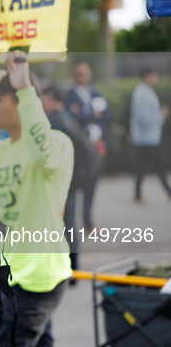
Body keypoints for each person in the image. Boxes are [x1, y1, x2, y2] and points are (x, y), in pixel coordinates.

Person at [0, 68, 73, 347]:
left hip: (39, 280)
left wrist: (26, 89)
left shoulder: (57, 144)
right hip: (12, 274)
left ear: (22, 101)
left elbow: (42, 153)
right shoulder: (0, 150)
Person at [41, 85, 100, 273]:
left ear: (51, 97)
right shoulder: (66, 114)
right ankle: (73, 266)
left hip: (63, 178)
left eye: (42, 96)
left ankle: (69, 268)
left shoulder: (52, 120)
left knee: (63, 223)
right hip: (73, 176)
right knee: (69, 223)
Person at [65, 61, 112, 231]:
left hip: (97, 146)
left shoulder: (96, 93)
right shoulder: (69, 95)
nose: (81, 76)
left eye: (84, 72)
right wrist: (93, 115)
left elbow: (107, 118)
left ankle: (88, 220)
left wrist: (85, 114)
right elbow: (72, 119)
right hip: (80, 147)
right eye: (78, 73)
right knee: (77, 183)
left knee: (92, 184)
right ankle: (70, 222)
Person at [130, 68, 171, 203]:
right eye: (155, 75)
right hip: (146, 137)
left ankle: (138, 194)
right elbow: (145, 118)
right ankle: (138, 194)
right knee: (151, 166)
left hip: (150, 137)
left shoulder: (147, 91)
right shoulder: (142, 93)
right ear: (147, 76)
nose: (157, 78)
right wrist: (162, 115)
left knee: (150, 165)